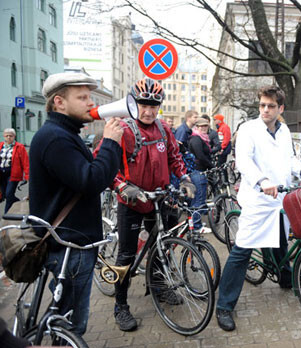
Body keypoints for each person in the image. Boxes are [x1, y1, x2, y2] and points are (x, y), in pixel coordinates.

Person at [215, 85, 301, 332]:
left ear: (280, 108)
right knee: (242, 251)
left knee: (280, 240)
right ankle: (224, 306)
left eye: (271, 106)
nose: (266, 110)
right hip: (259, 199)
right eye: (262, 105)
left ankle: (286, 278)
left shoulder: (283, 132)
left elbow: (289, 159)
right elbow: (244, 161)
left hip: (279, 198)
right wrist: (262, 181)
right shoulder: (249, 129)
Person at [30, 72, 123, 336]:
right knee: (72, 325)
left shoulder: (62, 134)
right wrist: (111, 143)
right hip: (69, 245)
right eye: (82, 97)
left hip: (70, 241)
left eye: (90, 97)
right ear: (59, 102)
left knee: (65, 316)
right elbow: (92, 180)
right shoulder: (56, 138)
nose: (90, 103)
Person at [100, 78, 195, 332]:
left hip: (158, 198)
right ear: (134, 102)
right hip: (131, 201)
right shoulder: (123, 128)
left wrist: (184, 177)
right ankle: (120, 306)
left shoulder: (164, 128)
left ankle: (159, 286)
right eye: (144, 104)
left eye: (154, 105)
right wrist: (122, 186)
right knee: (126, 256)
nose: (149, 111)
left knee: (161, 247)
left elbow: (174, 156)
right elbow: (104, 163)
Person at [188, 117, 214, 232]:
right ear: (196, 127)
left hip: (199, 171)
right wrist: (212, 166)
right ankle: (197, 226)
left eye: (206, 126)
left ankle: (195, 223)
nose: (204, 128)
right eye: (201, 126)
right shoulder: (196, 139)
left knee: (198, 199)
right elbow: (200, 156)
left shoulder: (201, 138)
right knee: (199, 199)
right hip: (197, 171)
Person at [0, 128, 29, 213]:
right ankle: (17, 202)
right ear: (4, 136)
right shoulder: (0, 146)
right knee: (5, 194)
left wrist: (27, 176)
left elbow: (25, 163)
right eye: (7, 136)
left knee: (9, 194)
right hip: (1, 174)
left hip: (13, 175)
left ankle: (6, 213)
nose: (8, 137)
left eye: (11, 136)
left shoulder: (20, 147)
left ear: (14, 136)